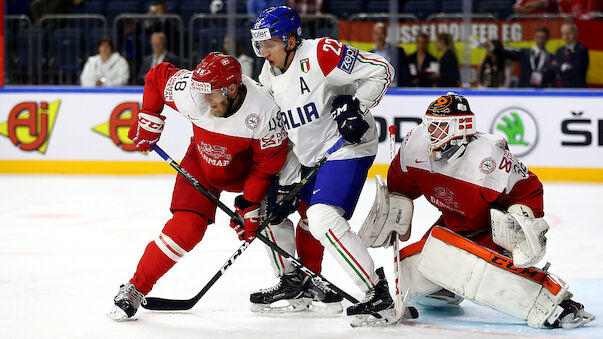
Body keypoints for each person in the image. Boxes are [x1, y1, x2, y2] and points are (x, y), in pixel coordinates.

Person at [361, 92, 595, 329]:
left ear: (462, 127)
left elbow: (528, 189)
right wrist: (393, 211)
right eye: (430, 124)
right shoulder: (415, 145)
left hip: (489, 228)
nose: (432, 132)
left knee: (489, 274)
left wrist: (522, 221)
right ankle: (444, 290)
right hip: (453, 224)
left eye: (441, 126)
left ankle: (556, 305)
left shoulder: (488, 157)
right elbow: (401, 187)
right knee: (413, 265)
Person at [250, 6, 414, 326]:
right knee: (272, 210)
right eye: (261, 44)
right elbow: (282, 130)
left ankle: (376, 292)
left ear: (291, 40)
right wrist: (283, 177)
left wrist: (356, 105)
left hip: (348, 147)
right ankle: (296, 283)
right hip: (309, 157)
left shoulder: (322, 53)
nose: (264, 51)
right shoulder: (267, 75)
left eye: (269, 43)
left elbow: (382, 69)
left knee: (322, 217)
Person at [107, 52, 288, 320]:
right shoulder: (191, 91)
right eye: (201, 92)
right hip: (201, 165)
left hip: (244, 175)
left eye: (212, 94)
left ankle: (294, 281)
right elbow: (157, 76)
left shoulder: (264, 110)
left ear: (231, 88)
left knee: (272, 219)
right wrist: (149, 118)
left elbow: (266, 165)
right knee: (187, 229)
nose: (204, 100)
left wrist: (249, 203)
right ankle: (135, 287)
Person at [370, 22, 411, 87]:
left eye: (381, 34)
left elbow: (406, 74)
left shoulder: (397, 51)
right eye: (376, 34)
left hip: (395, 91)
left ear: (386, 35)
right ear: (373, 35)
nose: (379, 37)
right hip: (375, 92)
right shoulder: (369, 55)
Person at [551, 22, 589, 88]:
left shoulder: (581, 50)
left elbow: (576, 71)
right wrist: (564, 66)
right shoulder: (559, 50)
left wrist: (558, 66)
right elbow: (551, 68)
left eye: (569, 33)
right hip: (559, 89)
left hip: (575, 90)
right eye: (564, 34)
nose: (566, 36)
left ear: (576, 34)